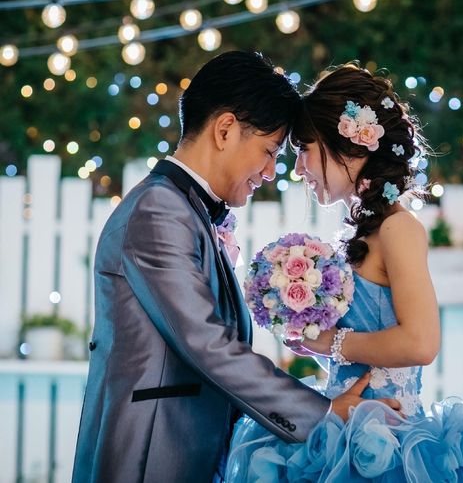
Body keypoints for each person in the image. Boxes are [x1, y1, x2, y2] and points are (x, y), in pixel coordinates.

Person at [71, 52, 398, 483]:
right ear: (224, 129)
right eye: (268, 151)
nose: (271, 171)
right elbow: (208, 344)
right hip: (150, 456)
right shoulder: (158, 211)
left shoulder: (185, 210)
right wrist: (324, 413)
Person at [226, 63, 463, 481]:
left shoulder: (399, 229)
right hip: (342, 426)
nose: (299, 169)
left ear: (351, 145)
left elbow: (421, 342)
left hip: (391, 444)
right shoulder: (358, 234)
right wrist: (313, 340)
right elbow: (368, 340)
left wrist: (332, 343)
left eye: (305, 149)